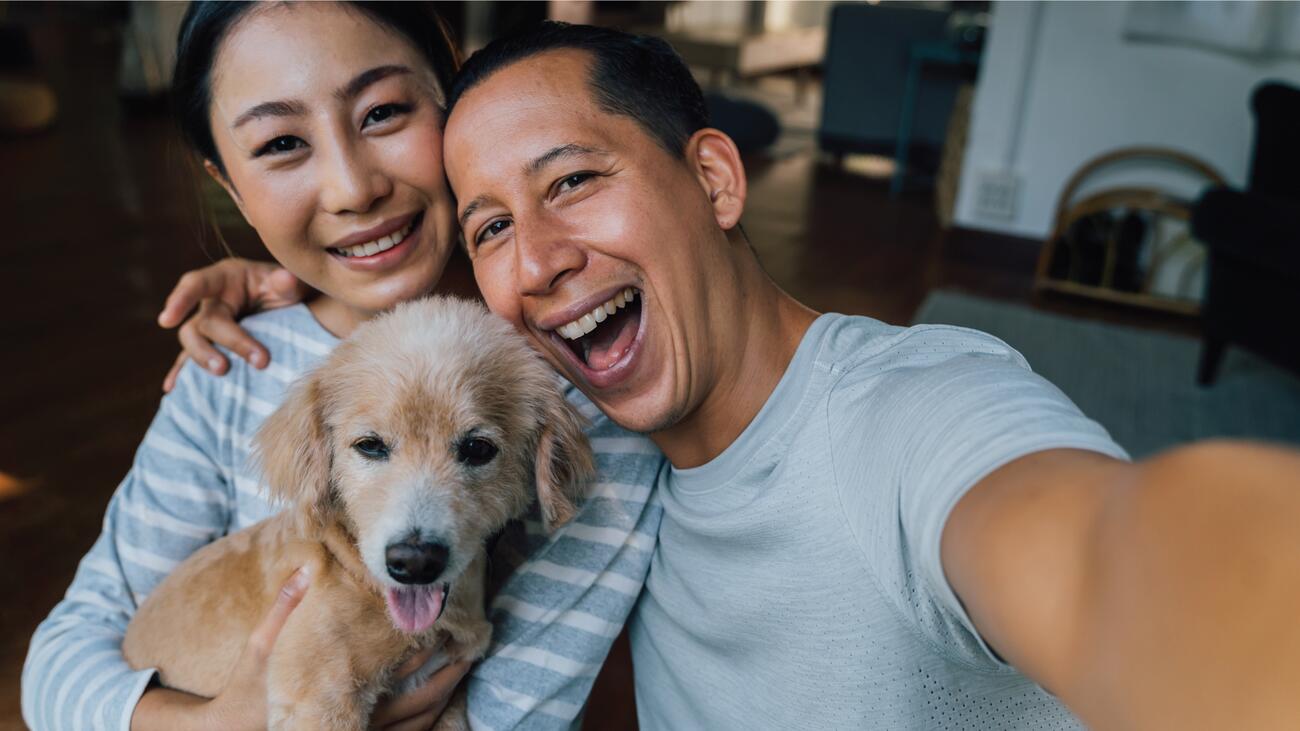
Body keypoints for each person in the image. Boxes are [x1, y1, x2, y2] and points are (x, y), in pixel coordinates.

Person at [156, 21, 1300, 731]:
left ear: (713, 175)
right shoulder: (560, 420)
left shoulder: (914, 409)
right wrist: (273, 281)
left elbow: (1110, 549)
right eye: (492, 224)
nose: (541, 258)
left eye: (572, 181)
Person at [22, 7, 662, 731]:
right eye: (283, 142)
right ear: (229, 186)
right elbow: (57, 664)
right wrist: (208, 724)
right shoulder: (225, 372)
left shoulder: (574, 386)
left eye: (383, 110)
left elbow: (519, 708)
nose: (353, 188)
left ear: (455, 113)